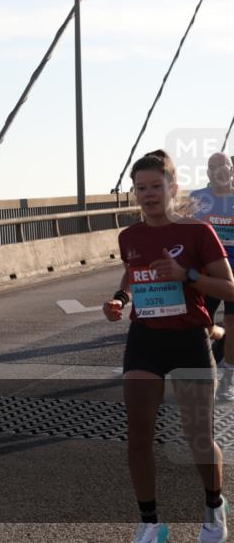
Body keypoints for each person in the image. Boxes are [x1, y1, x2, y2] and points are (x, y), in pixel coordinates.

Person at [101, 150, 233, 543]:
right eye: (141, 188)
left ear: (172, 189)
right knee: (138, 434)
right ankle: (151, 523)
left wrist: (187, 274)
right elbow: (132, 273)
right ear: (134, 193)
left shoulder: (197, 232)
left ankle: (213, 509)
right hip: (145, 340)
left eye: (156, 186)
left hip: (190, 338)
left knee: (198, 436)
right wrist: (120, 301)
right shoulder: (129, 237)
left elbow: (228, 287)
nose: (149, 194)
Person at [191, 151, 234, 402]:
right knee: (202, 327)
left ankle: (227, 381)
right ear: (207, 173)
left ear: (232, 170)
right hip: (206, 275)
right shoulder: (198, 199)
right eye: (212, 166)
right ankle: (225, 339)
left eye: (223, 165)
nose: (217, 170)